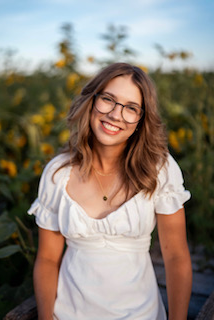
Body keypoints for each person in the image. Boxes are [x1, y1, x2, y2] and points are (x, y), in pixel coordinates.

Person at [28, 62, 192, 320]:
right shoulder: (58, 173)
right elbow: (47, 260)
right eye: (108, 99)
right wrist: (46, 318)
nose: (116, 115)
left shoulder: (159, 169)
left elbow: (176, 257)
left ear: (141, 119)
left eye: (131, 108)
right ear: (91, 101)